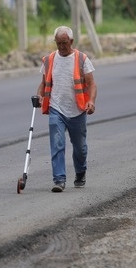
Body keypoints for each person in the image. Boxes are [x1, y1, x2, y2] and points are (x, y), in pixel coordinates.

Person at [35, 26, 97, 193]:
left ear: (71, 42)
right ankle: (59, 180)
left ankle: (80, 171)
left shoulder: (82, 59)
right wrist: (39, 95)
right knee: (57, 143)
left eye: (64, 43)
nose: (61, 46)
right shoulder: (49, 60)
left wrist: (90, 101)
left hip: (78, 110)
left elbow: (91, 84)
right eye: (58, 43)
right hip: (56, 108)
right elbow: (43, 83)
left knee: (80, 148)